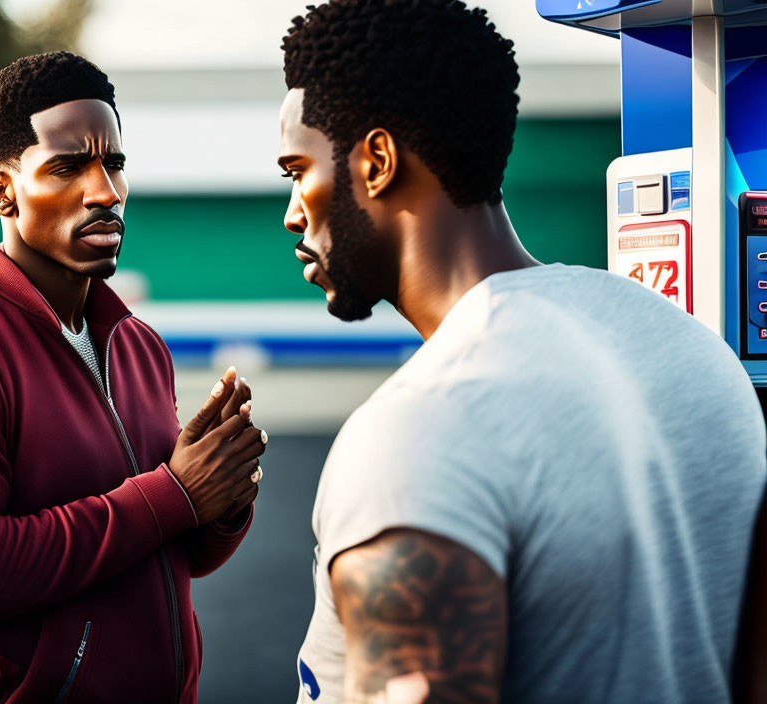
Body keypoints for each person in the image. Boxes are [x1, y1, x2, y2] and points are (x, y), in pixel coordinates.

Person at [276, 2, 767, 702]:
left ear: (377, 162)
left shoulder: (418, 431)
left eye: (298, 169)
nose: (293, 210)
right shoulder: (693, 351)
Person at [0, 51, 267, 703]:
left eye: (113, 163)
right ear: (3, 190)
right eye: (68, 166)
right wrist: (173, 492)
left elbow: (177, 555)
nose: (105, 192)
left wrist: (218, 498)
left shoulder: (140, 345)